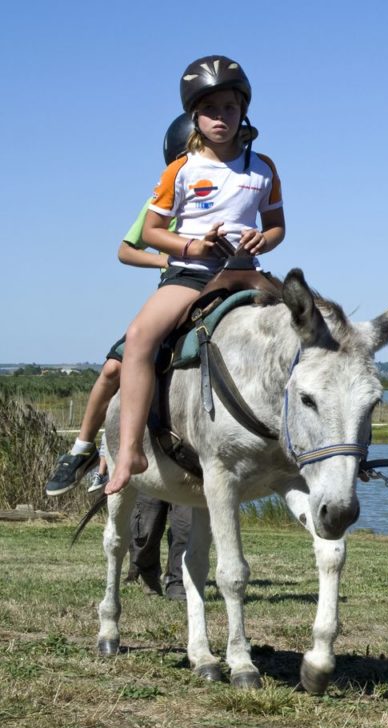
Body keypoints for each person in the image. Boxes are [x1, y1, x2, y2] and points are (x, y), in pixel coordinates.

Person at [106, 54, 285, 494]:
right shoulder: (180, 170)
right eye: (210, 110)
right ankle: (129, 448)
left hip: (246, 270)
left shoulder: (263, 168)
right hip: (192, 273)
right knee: (139, 339)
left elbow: (277, 225)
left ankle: (325, 447)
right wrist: (192, 246)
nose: (221, 117)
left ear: (243, 110)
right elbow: (150, 231)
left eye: (229, 107)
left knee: (313, 327)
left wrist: (266, 240)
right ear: (194, 117)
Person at [45, 113, 196, 496]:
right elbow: (126, 250)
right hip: (177, 291)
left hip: (220, 286)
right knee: (114, 368)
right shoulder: (163, 200)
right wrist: (166, 260)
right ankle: (82, 447)